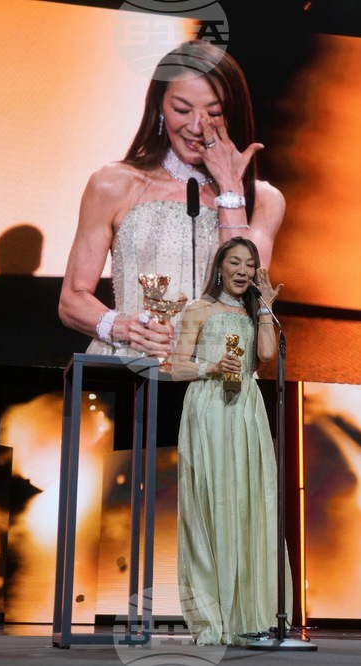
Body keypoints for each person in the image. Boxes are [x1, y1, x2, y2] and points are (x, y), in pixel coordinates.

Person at [58, 40, 285, 359]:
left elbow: (240, 298)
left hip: (218, 381)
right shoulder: (114, 184)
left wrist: (229, 190)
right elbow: (71, 300)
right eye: (181, 109)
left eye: (214, 112)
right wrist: (126, 328)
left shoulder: (262, 200)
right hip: (132, 370)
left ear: (231, 113)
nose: (196, 126)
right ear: (160, 108)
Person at [170, 237, 293, 646]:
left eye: (250, 264)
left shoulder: (251, 310)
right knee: (213, 502)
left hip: (246, 409)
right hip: (209, 408)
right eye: (235, 262)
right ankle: (214, 615)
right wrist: (210, 365)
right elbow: (176, 367)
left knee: (249, 504)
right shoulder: (198, 309)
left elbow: (266, 355)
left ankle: (251, 612)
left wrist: (265, 307)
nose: (242, 270)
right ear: (219, 266)